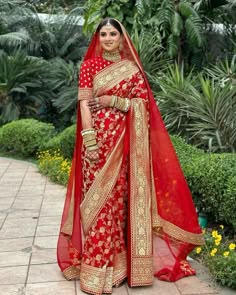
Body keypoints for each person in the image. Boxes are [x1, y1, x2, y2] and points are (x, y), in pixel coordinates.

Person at [57, 17, 204, 295]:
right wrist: (89, 139)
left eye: (113, 34)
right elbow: (83, 105)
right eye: (104, 34)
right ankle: (96, 270)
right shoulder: (88, 67)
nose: (109, 38)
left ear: (122, 38)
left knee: (117, 207)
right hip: (97, 146)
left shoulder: (132, 70)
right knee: (97, 207)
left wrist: (113, 101)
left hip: (124, 148)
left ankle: (118, 269)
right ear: (98, 39)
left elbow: (142, 106)